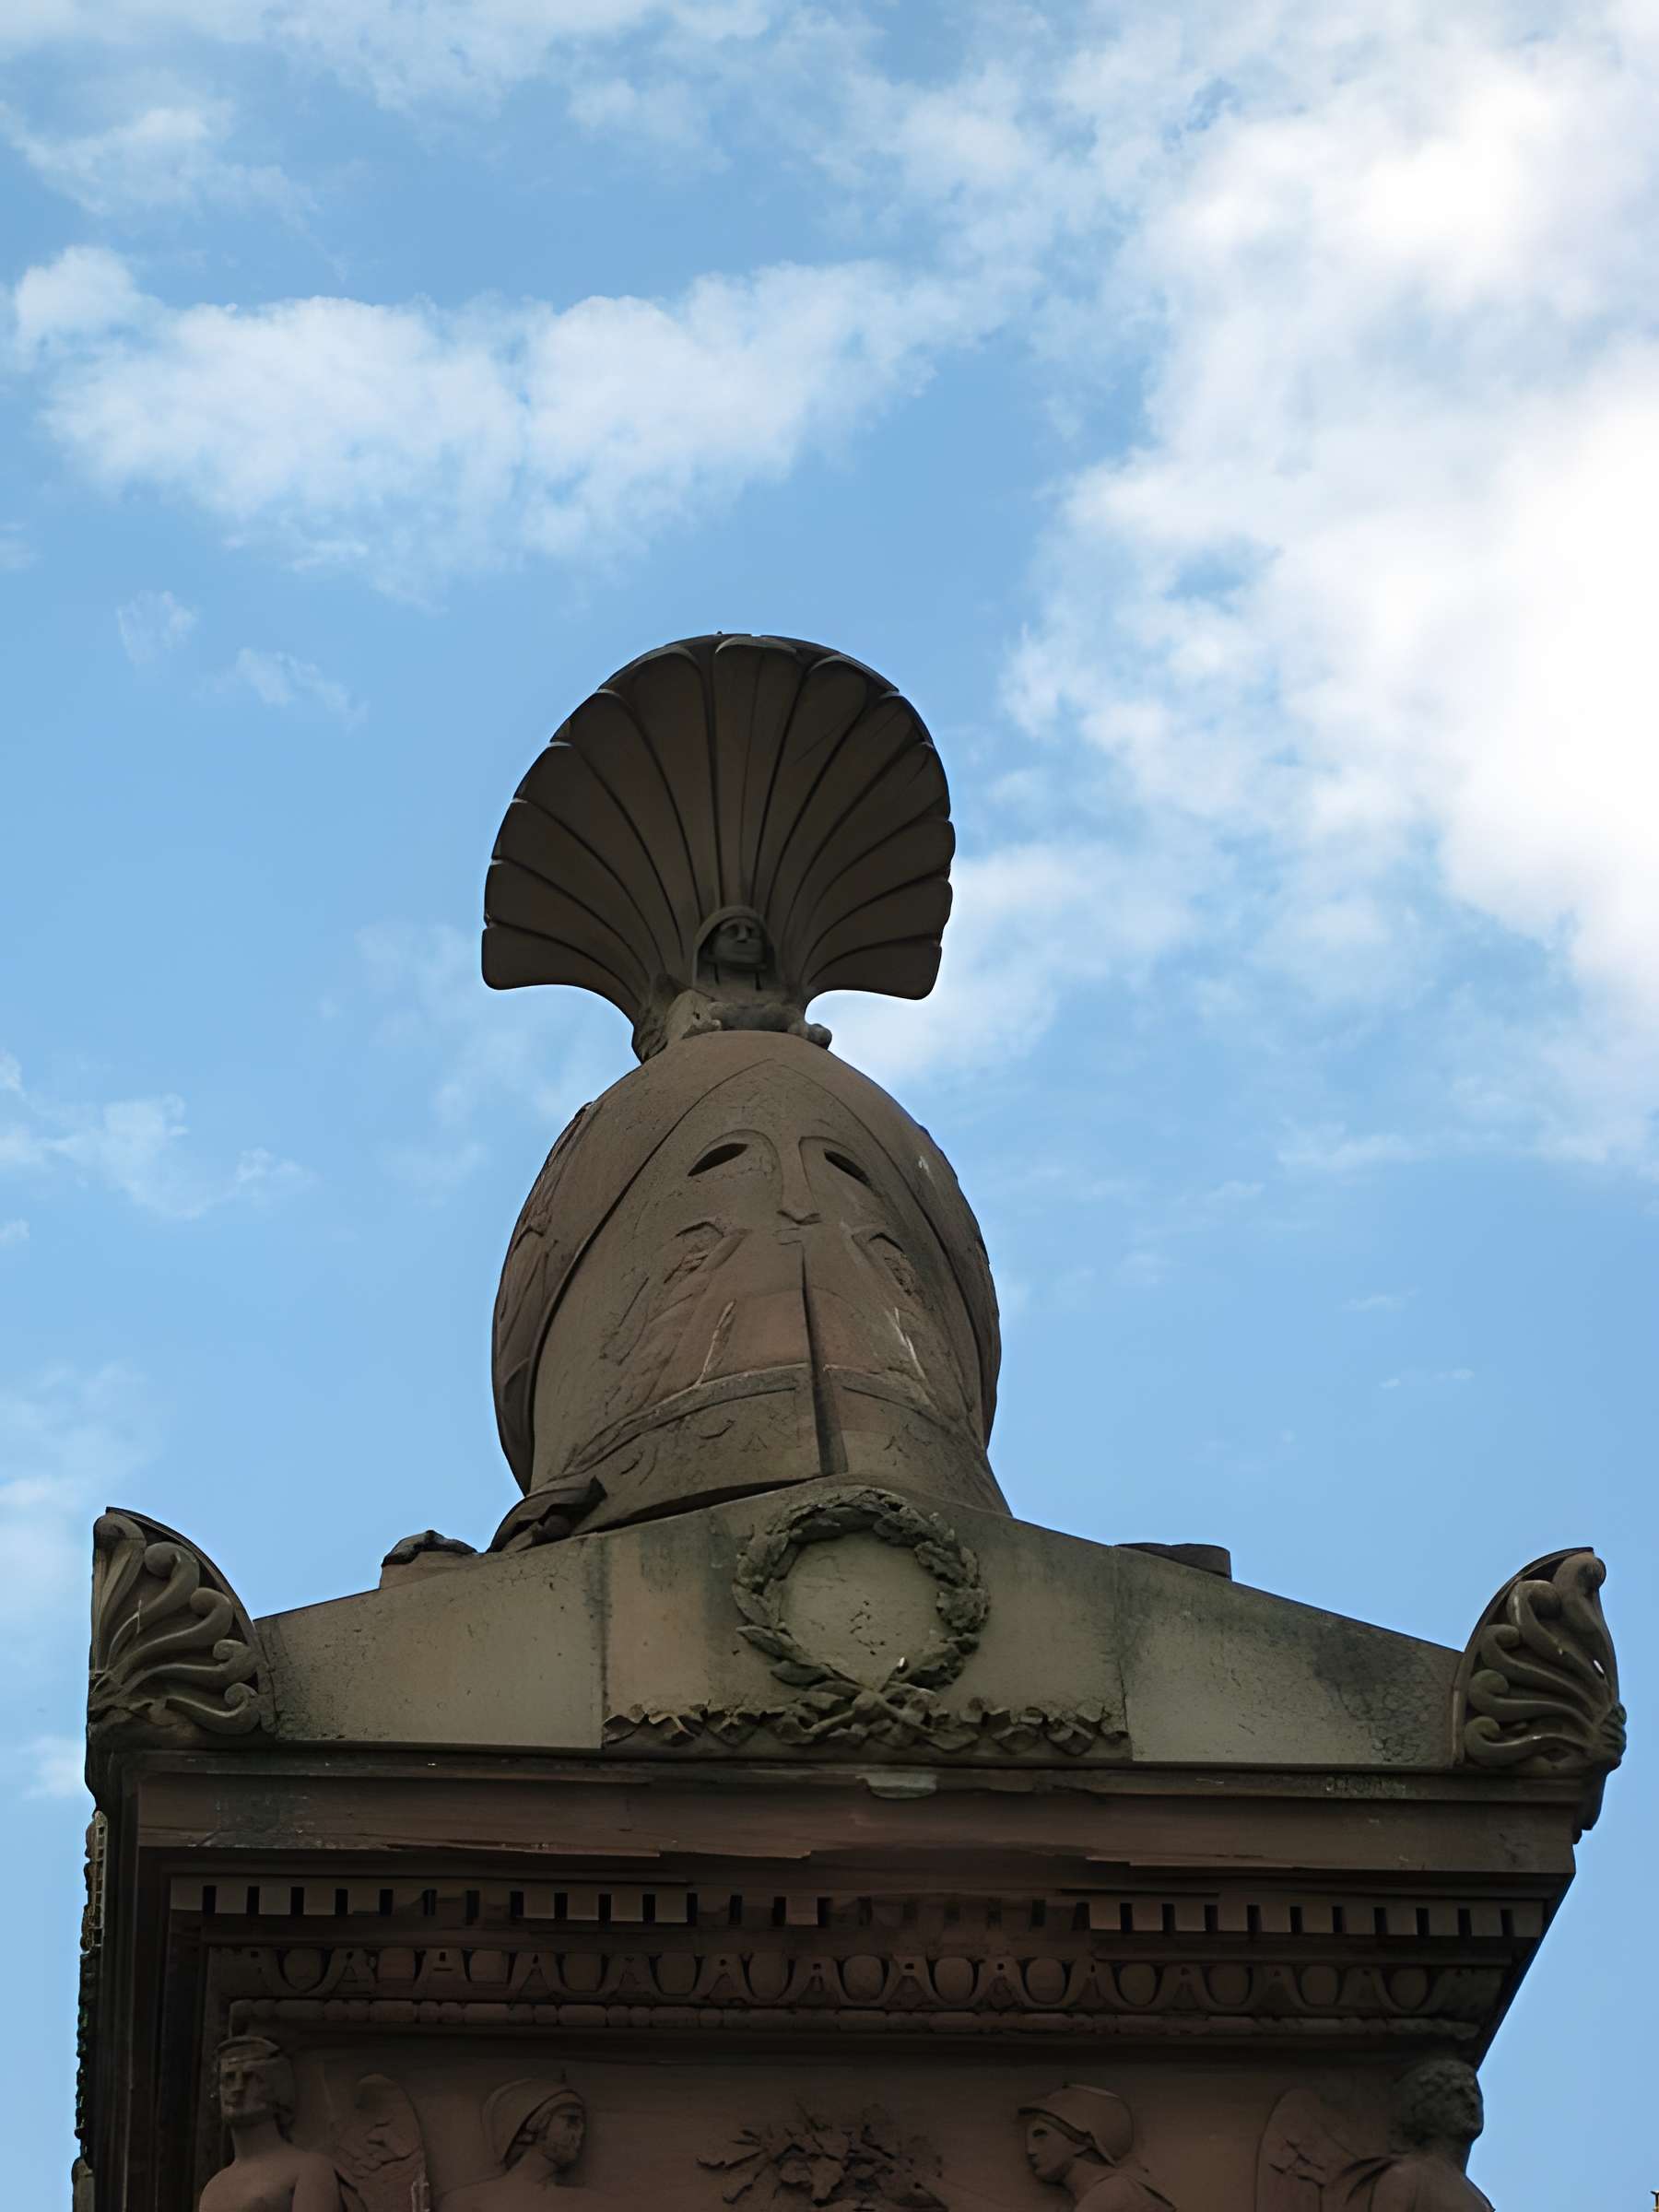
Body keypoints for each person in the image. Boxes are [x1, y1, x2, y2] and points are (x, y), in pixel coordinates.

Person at [198, 2036, 342, 2212]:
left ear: (276, 2086)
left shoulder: (309, 2169)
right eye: (228, 2078)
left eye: (251, 2077)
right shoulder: (214, 2187)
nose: (237, 2088)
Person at [1347, 2062, 1494, 2212]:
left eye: (1475, 2092)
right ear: (1427, 2108)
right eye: (1457, 2094)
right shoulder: (1406, 2178)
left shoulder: (1478, 2197)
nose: (1472, 2102)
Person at [1019, 2088, 1177, 2211]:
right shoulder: (1115, 2189)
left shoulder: (1113, 2192)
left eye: (1041, 2136)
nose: (1030, 2150)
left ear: (1080, 2142)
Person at [441, 2082, 592, 2208]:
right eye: (571, 2121)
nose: (580, 2132)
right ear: (536, 2123)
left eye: (582, 2124)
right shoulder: (467, 2202)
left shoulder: (588, 2203)